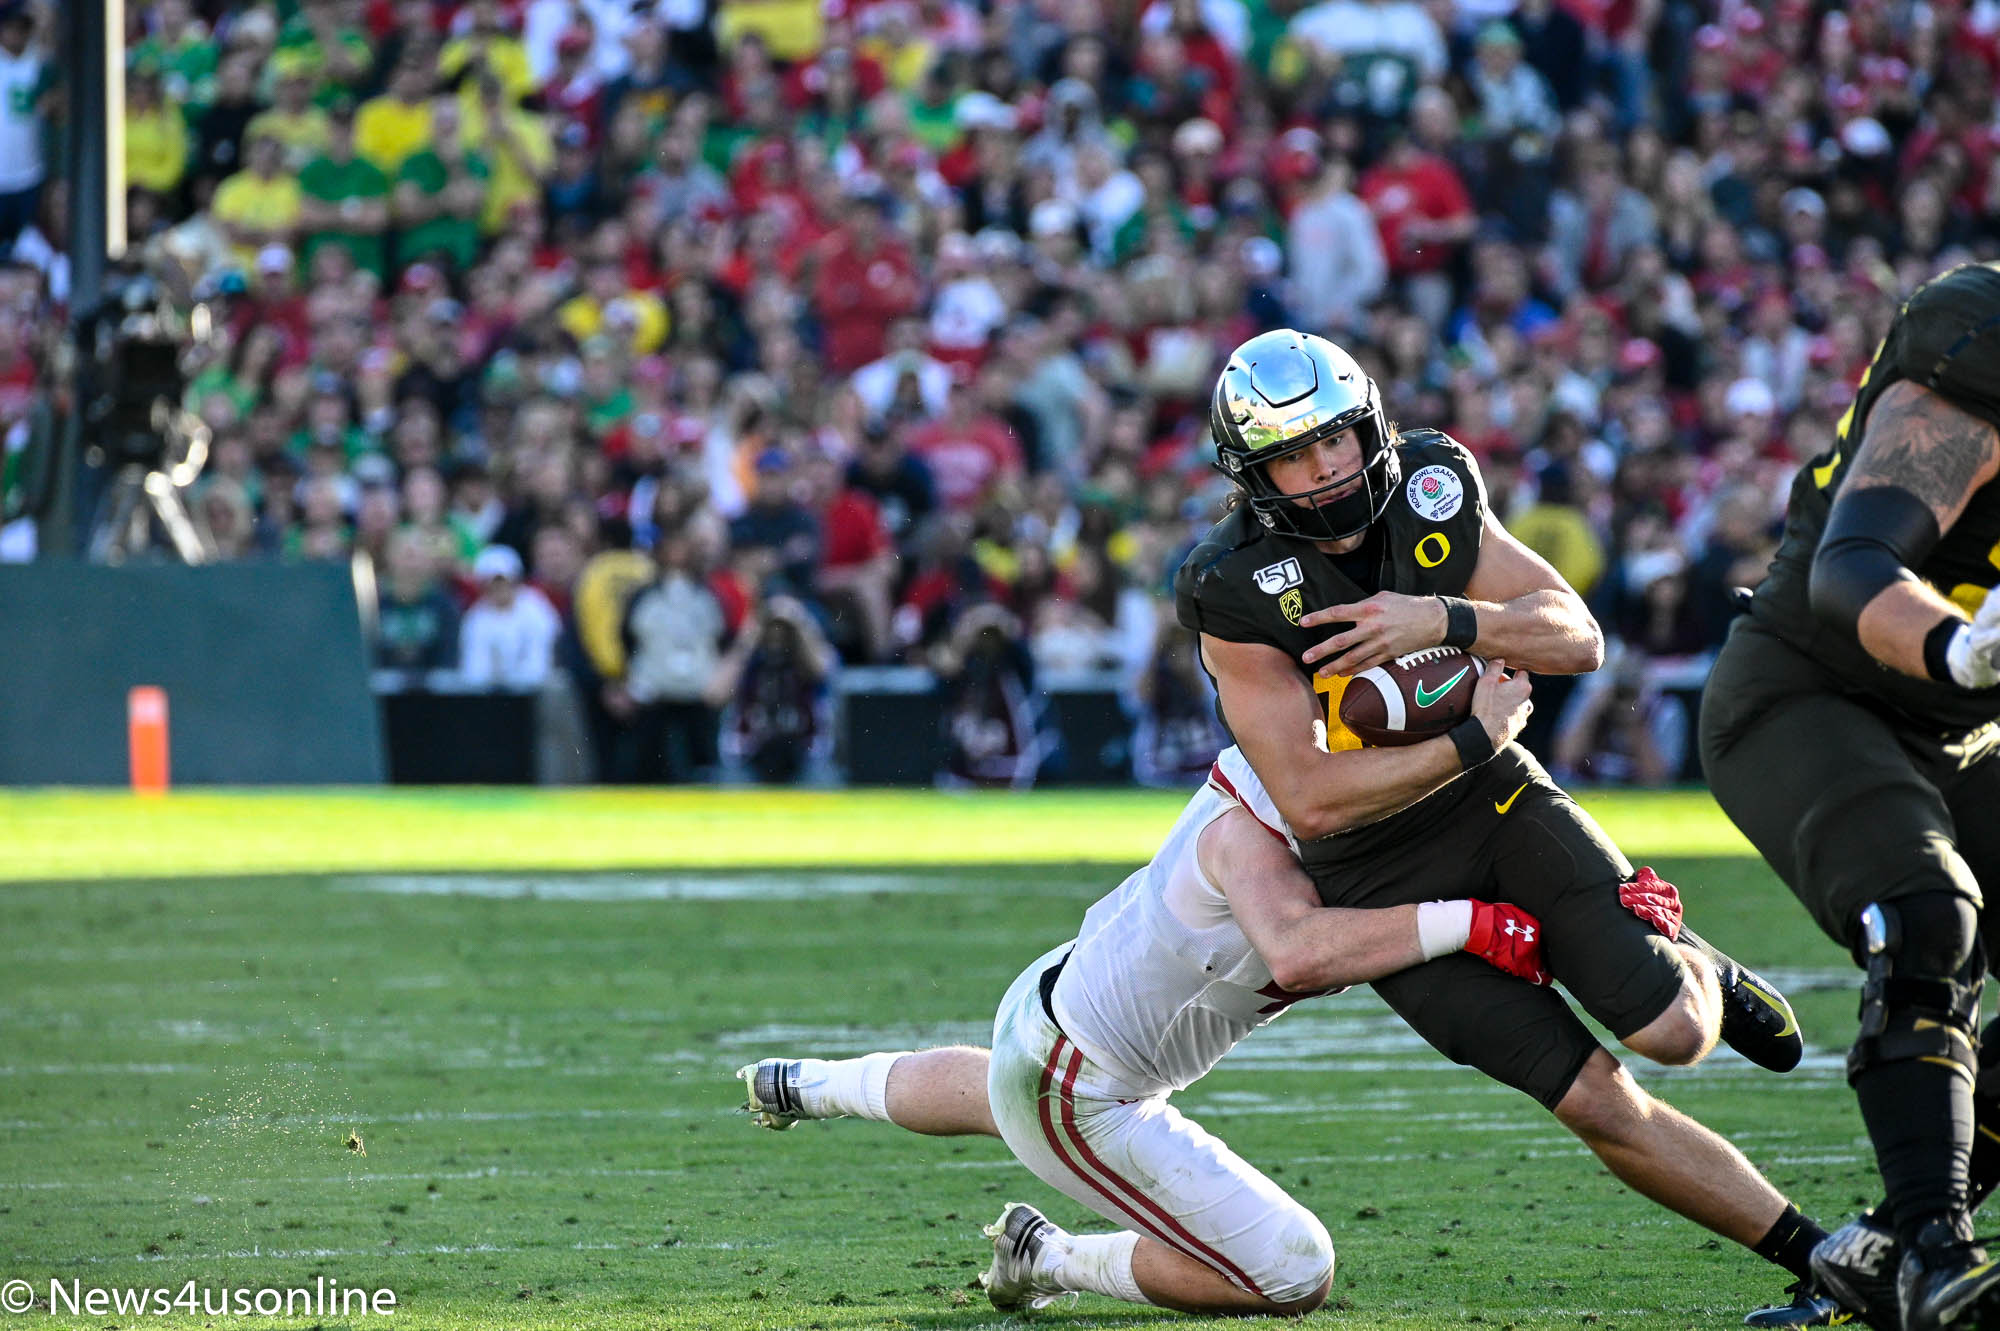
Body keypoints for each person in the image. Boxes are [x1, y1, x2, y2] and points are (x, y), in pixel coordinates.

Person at [1176, 329, 1830, 1324]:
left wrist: (1443, 618)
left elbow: (1577, 635)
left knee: (1674, 1032)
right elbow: (1307, 800)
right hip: (1372, 867)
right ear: (1252, 474)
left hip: (1494, 804)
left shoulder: (1430, 488)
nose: (1323, 472)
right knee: (1590, 1099)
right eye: (1291, 456)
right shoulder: (1231, 583)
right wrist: (1473, 737)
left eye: (1335, 441)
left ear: (1370, 429)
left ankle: (1695, 960)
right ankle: (1827, 1263)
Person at [739, 745, 1557, 1316]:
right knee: (1293, 1272)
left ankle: (808, 1082)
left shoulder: (1295, 773)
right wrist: (1471, 920)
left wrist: (1597, 902)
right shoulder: (1254, 828)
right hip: (1083, 1085)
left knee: (1001, 1089)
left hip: (1053, 1006)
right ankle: (1048, 1256)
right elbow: (1303, 950)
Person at [1700, 260, 2000, 1331]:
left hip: (1962, 719)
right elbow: (1852, 565)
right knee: (1925, 912)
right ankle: (1935, 1254)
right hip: (1810, 682)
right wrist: (1958, 650)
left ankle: (1888, 1245)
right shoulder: (1977, 344)